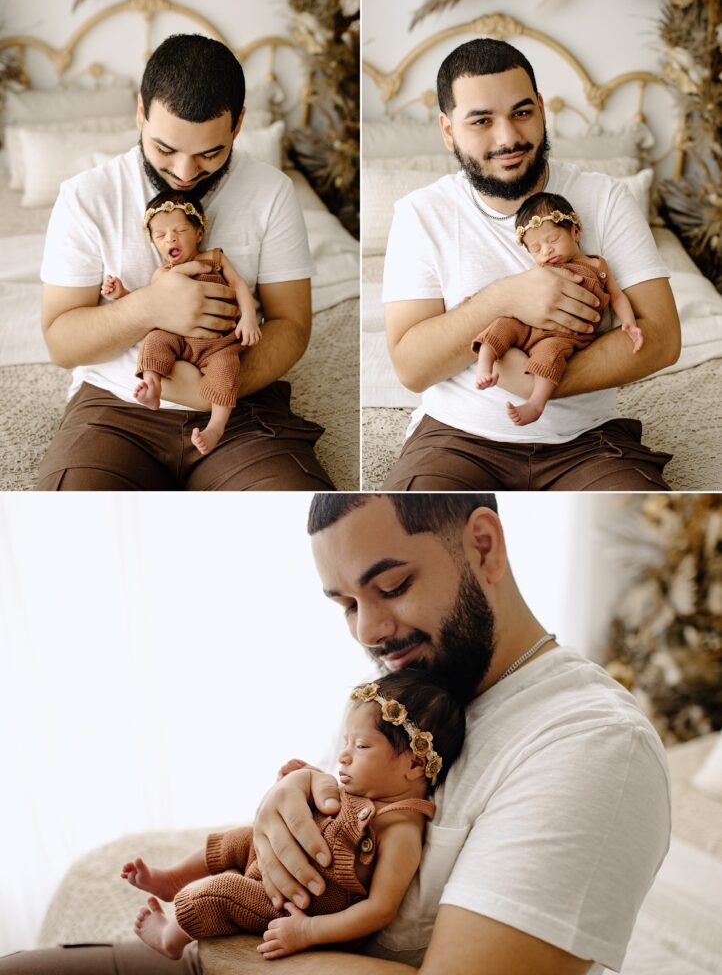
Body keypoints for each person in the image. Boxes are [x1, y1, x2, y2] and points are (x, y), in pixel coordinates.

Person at [0, 493, 672, 975]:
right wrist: (287, 797)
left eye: (393, 585)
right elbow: (325, 805)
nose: (369, 632)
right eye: (346, 604)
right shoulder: (411, 687)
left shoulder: (593, 749)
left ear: (484, 546)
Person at [37, 33, 334, 491]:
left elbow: (292, 323)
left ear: (238, 125)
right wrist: (151, 307)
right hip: (116, 405)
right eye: (165, 148)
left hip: (240, 404)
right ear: (140, 112)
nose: (185, 171)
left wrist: (215, 390)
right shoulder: (85, 196)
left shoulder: (272, 192)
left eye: (209, 152)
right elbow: (60, 343)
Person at [381, 38, 681, 490]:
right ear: (447, 131)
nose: (508, 138)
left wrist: (537, 382)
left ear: (541, 108)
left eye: (521, 113)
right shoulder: (420, 214)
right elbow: (411, 367)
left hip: (586, 441)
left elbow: (661, 339)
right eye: (481, 121)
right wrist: (507, 297)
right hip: (457, 439)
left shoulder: (606, 198)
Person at [120, 672, 463, 962]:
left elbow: (379, 909)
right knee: (240, 838)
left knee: (217, 893)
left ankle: (171, 937)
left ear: (415, 764)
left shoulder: (400, 827)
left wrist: (308, 931)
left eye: (361, 746)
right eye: (345, 742)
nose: (343, 756)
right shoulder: (366, 790)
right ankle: (171, 878)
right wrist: (307, 774)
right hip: (285, 865)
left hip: (297, 907)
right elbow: (334, 806)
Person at [102, 190, 261, 455]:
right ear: (153, 242)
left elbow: (238, 285)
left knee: (227, 368)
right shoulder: (162, 274)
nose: (170, 239)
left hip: (219, 341)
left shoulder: (215, 259)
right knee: (155, 340)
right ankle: (153, 385)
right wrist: (122, 295)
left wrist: (249, 317)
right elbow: (145, 305)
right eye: (161, 235)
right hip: (177, 338)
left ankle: (216, 427)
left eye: (179, 230)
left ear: (199, 233)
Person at [473, 191, 643, 426]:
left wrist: (629, 323)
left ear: (574, 231)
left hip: (564, 336)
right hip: (528, 324)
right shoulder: (540, 272)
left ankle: (536, 403)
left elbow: (616, 295)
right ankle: (484, 366)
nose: (546, 251)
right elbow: (517, 294)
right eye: (536, 248)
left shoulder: (598, 266)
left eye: (552, 240)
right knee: (501, 324)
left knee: (551, 354)